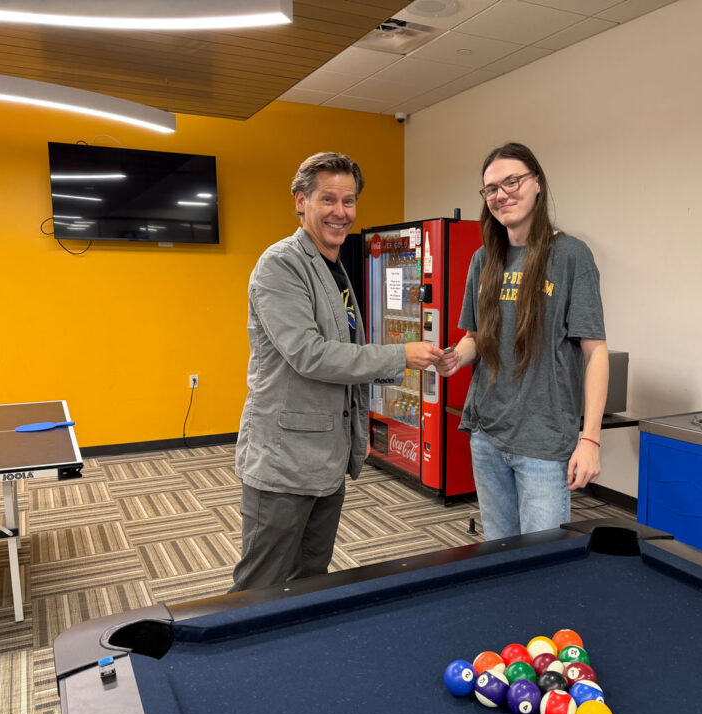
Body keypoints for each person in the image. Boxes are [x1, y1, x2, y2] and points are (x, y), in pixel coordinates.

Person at [232, 152, 442, 591]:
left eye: (349, 202)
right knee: (260, 587)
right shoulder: (280, 264)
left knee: (311, 581)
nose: (340, 213)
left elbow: (343, 351)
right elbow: (310, 355)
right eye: (328, 199)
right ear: (300, 201)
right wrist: (398, 356)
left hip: (327, 460)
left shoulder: (335, 266)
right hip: (284, 461)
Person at [435, 142, 609, 540]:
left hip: (543, 443)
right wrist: (452, 358)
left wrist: (591, 439)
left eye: (512, 181)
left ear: (537, 185)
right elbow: (477, 337)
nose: (501, 194)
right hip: (487, 434)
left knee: (543, 563)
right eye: (491, 189)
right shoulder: (484, 259)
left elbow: (595, 351)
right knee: (499, 552)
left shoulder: (570, 256)